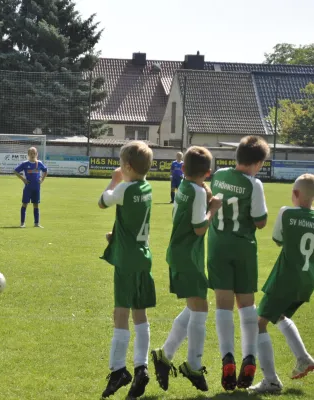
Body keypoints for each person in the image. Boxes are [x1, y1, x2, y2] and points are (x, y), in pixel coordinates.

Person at [151, 146, 222, 393]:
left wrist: (206, 196)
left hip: (182, 253)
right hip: (187, 256)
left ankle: (165, 354)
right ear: (208, 172)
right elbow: (200, 227)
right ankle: (192, 365)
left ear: (182, 168)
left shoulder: (183, 186)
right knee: (200, 307)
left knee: (195, 307)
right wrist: (213, 208)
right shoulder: (197, 191)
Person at [207, 135, 269, 391]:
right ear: (257, 163)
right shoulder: (254, 185)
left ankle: (227, 357)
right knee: (246, 304)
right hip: (244, 248)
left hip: (218, 247)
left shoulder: (219, 175)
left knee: (223, 304)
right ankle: (250, 357)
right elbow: (260, 221)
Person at [98, 141, 155, 399]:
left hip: (127, 261)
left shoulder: (124, 189)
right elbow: (135, 220)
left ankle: (118, 369)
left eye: (121, 165)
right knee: (139, 315)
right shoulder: (147, 188)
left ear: (128, 167)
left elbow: (102, 202)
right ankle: (141, 367)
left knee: (120, 314)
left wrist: (113, 181)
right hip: (143, 256)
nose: (120, 168)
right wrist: (118, 236)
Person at [249, 174, 314, 393]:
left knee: (258, 323)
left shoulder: (287, 212)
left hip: (285, 279)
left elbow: (278, 239)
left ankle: (271, 380)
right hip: (306, 282)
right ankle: (303, 357)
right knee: (278, 315)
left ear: (295, 194)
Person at [14, 147, 47, 228]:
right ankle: (22, 223)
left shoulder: (39, 163)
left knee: (36, 205)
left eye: (34, 153)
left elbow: (45, 171)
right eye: (31, 153)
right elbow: (15, 171)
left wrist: (42, 179)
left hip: (36, 188)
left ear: (36, 154)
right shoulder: (25, 163)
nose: (32, 155)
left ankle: (36, 223)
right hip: (28, 188)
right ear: (28, 154)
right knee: (24, 204)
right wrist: (23, 179)